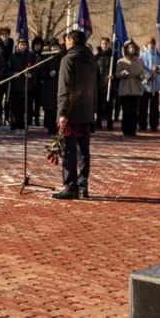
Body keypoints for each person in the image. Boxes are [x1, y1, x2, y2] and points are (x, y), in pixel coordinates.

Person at [52, 29, 97, 200]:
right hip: (86, 110)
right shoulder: (91, 59)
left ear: (71, 41)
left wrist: (62, 113)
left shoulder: (68, 59)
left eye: (66, 40)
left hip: (71, 111)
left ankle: (71, 186)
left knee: (69, 150)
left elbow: (65, 89)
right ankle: (83, 185)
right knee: (83, 150)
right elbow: (95, 88)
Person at [139, 37, 160, 132]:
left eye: (153, 44)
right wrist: (148, 75)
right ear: (146, 44)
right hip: (144, 85)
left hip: (155, 86)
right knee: (142, 107)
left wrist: (158, 68)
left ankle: (154, 125)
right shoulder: (142, 55)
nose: (151, 46)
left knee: (154, 107)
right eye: (149, 44)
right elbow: (140, 67)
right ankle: (142, 125)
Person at [115, 39, 144, 137]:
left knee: (134, 111)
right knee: (126, 111)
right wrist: (123, 73)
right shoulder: (121, 61)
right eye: (129, 48)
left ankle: (133, 129)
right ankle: (126, 129)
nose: (131, 49)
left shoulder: (139, 61)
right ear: (126, 49)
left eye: (133, 47)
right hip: (125, 88)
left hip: (136, 88)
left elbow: (141, 72)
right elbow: (117, 74)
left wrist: (142, 77)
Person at [7, 38, 34, 132]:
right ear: (17, 45)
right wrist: (13, 73)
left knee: (25, 108)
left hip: (27, 86)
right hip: (15, 86)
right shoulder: (12, 57)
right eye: (21, 45)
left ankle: (24, 126)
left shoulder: (30, 56)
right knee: (15, 107)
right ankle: (15, 125)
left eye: (25, 45)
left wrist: (31, 75)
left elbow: (36, 70)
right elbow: (7, 70)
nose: (23, 47)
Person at [39, 38, 62, 135]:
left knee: (58, 108)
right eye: (53, 47)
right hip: (49, 86)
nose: (54, 48)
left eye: (56, 46)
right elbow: (41, 72)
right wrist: (48, 73)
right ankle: (50, 127)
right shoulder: (46, 58)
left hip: (59, 85)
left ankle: (57, 127)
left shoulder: (62, 59)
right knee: (49, 109)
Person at [94, 37, 115, 131]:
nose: (105, 45)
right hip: (99, 84)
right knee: (98, 105)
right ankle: (98, 122)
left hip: (109, 85)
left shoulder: (113, 57)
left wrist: (113, 75)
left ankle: (110, 123)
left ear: (109, 45)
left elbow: (116, 70)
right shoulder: (97, 57)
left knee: (109, 105)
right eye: (103, 43)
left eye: (106, 43)